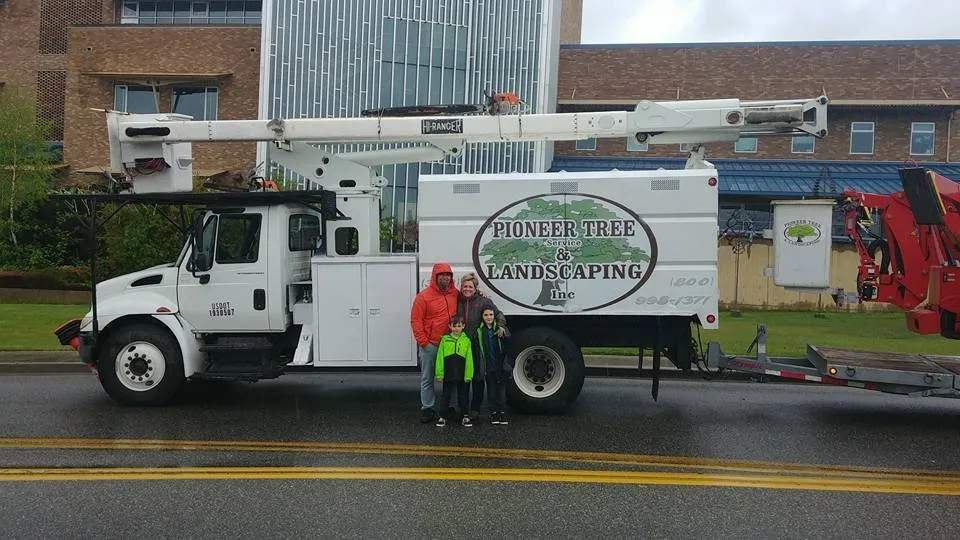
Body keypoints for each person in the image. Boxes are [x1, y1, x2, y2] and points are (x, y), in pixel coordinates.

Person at [410, 262, 459, 423]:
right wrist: (423, 342)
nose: (446, 278)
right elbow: (416, 321)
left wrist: (481, 293)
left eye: (448, 275)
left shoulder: (455, 294)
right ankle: (427, 408)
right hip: (431, 344)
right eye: (442, 275)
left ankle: (449, 407)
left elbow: (470, 296)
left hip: (450, 344)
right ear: (435, 277)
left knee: (451, 378)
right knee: (427, 377)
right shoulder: (423, 297)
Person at [456, 272, 507, 420]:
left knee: (478, 377)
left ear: (476, 288)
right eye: (465, 286)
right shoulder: (457, 300)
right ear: (461, 287)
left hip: (478, 346)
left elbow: (498, 314)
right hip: (462, 345)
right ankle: (463, 409)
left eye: (470, 287)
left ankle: (475, 409)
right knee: (463, 378)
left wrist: (501, 326)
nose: (467, 289)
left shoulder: (483, 301)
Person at [434, 315, 475, 427]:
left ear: (463, 326)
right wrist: (439, 373)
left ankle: (465, 416)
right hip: (448, 373)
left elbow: (469, 359)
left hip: (462, 374)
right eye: (454, 326)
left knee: (463, 395)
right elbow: (440, 358)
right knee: (445, 395)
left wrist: (468, 375)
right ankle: (442, 416)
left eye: (459, 326)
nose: (457, 328)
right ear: (450, 326)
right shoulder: (444, 340)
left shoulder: (466, 341)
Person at [476, 306, 511, 425]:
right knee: (491, 392)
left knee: (501, 393)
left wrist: (508, 364)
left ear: (494, 316)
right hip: (489, 368)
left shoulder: (500, 329)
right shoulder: (480, 331)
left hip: (501, 367)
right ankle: (493, 413)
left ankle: (502, 413)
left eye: (491, 315)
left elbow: (508, 345)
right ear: (482, 317)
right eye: (485, 315)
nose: (488, 317)